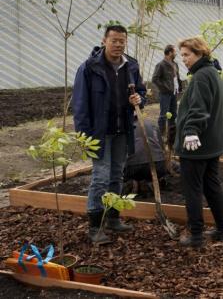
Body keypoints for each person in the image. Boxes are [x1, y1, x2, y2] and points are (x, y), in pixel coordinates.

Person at [72, 24, 146, 244]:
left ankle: (113, 218)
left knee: (117, 176)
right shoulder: (89, 68)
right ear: (104, 41)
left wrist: (139, 100)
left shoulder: (131, 66)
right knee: (100, 177)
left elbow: (141, 91)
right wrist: (84, 138)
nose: (118, 45)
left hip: (122, 131)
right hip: (99, 134)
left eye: (122, 41)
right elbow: (80, 106)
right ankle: (95, 226)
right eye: (114, 40)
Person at [175, 36, 223, 247]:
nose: (184, 60)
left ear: (199, 54)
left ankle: (196, 235)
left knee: (193, 189)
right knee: (212, 185)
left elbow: (199, 109)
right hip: (211, 144)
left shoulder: (200, 77)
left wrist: (190, 130)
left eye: (187, 55)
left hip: (195, 145)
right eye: (182, 56)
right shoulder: (214, 73)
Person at [123, 118, 168, 185]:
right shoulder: (153, 125)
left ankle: (134, 182)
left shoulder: (126, 127)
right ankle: (155, 181)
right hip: (158, 165)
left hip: (134, 168)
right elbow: (162, 148)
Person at [152, 45, 181, 141]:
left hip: (174, 93)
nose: (176, 53)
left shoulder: (175, 64)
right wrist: (165, 88)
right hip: (165, 94)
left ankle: (171, 137)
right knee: (163, 115)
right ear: (169, 52)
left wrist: (179, 87)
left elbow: (177, 77)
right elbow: (155, 79)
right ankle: (161, 136)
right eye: (174, 51)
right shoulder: (161, 65)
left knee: (173, 114)